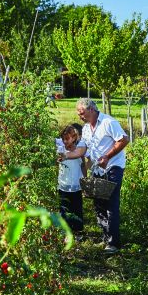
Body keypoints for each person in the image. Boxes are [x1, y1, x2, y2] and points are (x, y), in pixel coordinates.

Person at [76, 98, 129, 254]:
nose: (80, 116)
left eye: (82, 113)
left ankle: (114, 244)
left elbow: (124, 140)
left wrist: (107, 156)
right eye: (78, 114)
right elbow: (86, 150)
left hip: (113, 167)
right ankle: (106, 238)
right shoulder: (86, 128)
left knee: (111, 204)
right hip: (98, 170)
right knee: (99, 204)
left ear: (91, 109)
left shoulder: (108, 122)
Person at [56, 124, 87, 235]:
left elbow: (83, 166)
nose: (65, 141)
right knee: (64, 209)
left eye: (67, 139)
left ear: (74, 138)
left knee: (77, 209)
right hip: (63, 185)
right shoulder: (60, 150)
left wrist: (85, 181)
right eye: (63, 139)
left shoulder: (79, 151)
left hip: (76, 186)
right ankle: (66, 231)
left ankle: (78, 231)